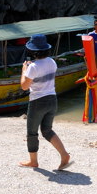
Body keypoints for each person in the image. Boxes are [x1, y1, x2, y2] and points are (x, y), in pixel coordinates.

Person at [19, 34, 72, 171]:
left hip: (38, 101)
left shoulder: (33, 67)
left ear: (33, 50)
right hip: (52, 99)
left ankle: (33, 161)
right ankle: (64, 155)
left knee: (32, 132)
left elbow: (24, 86)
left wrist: (24, 70)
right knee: (47, 130)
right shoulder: (52, 62)